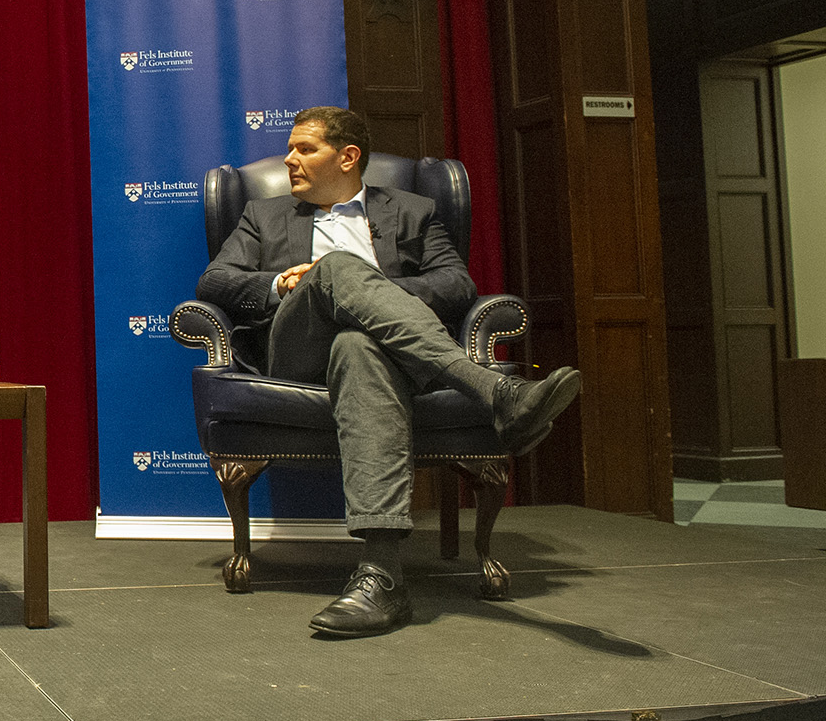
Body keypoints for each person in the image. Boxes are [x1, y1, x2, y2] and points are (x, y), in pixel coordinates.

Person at [197, 106, 579, 637]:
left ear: (348, 157)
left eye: (305, 149)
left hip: (391, 356)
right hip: (298, 356)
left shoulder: (412, 210)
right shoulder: (264, 216)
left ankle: (381, 575)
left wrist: (373, 294)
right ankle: (495, 393)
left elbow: (455, 285)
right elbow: (215, 282)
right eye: (290, 149)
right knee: (336, 269)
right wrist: (284, 284)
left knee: (358, 343)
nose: (289, 159)